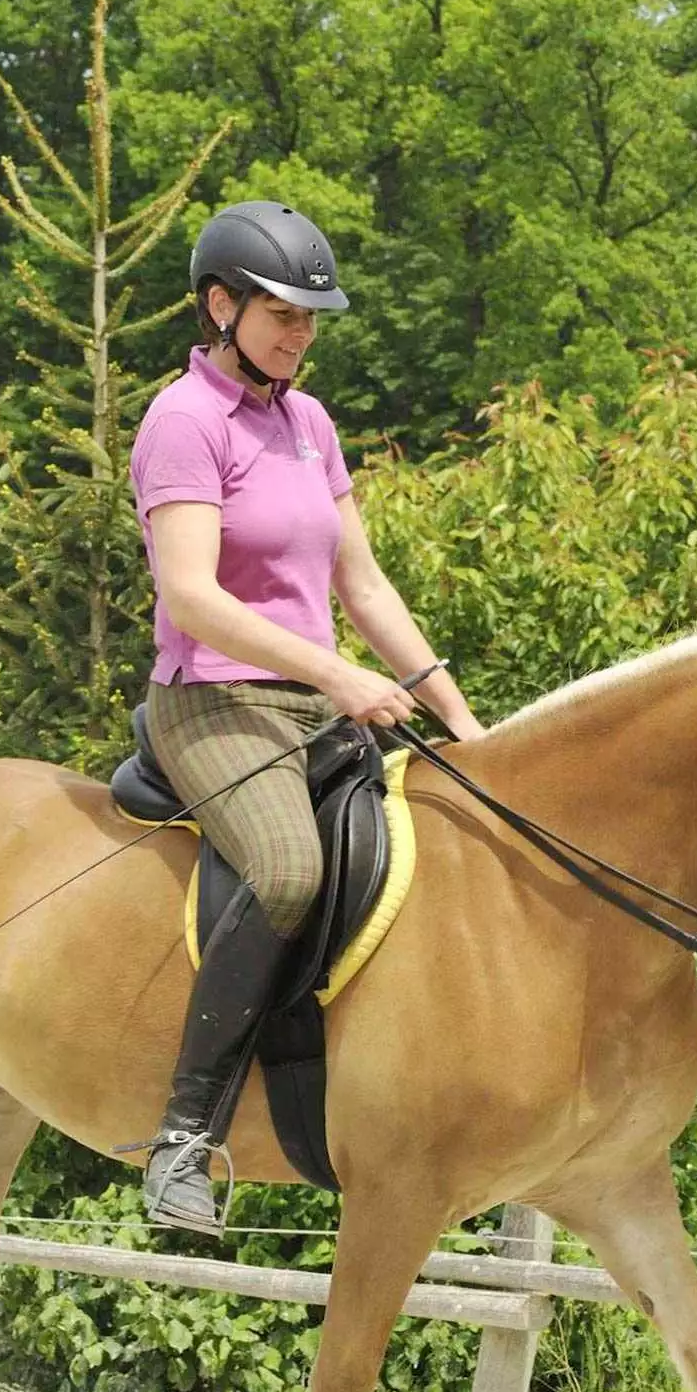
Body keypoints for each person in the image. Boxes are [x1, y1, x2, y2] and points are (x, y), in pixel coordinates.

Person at [125, 202, 485, 1234]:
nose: (300, 334)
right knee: (288, 870)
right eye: (283, 313)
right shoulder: (181, 421)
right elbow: (193, 595)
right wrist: (337, 677)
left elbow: (363, 585)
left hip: (313, 696)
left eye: (312, 318)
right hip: (214, 701)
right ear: (220, 305)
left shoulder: (307, 423)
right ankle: (183, 1139)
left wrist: (464, 723)